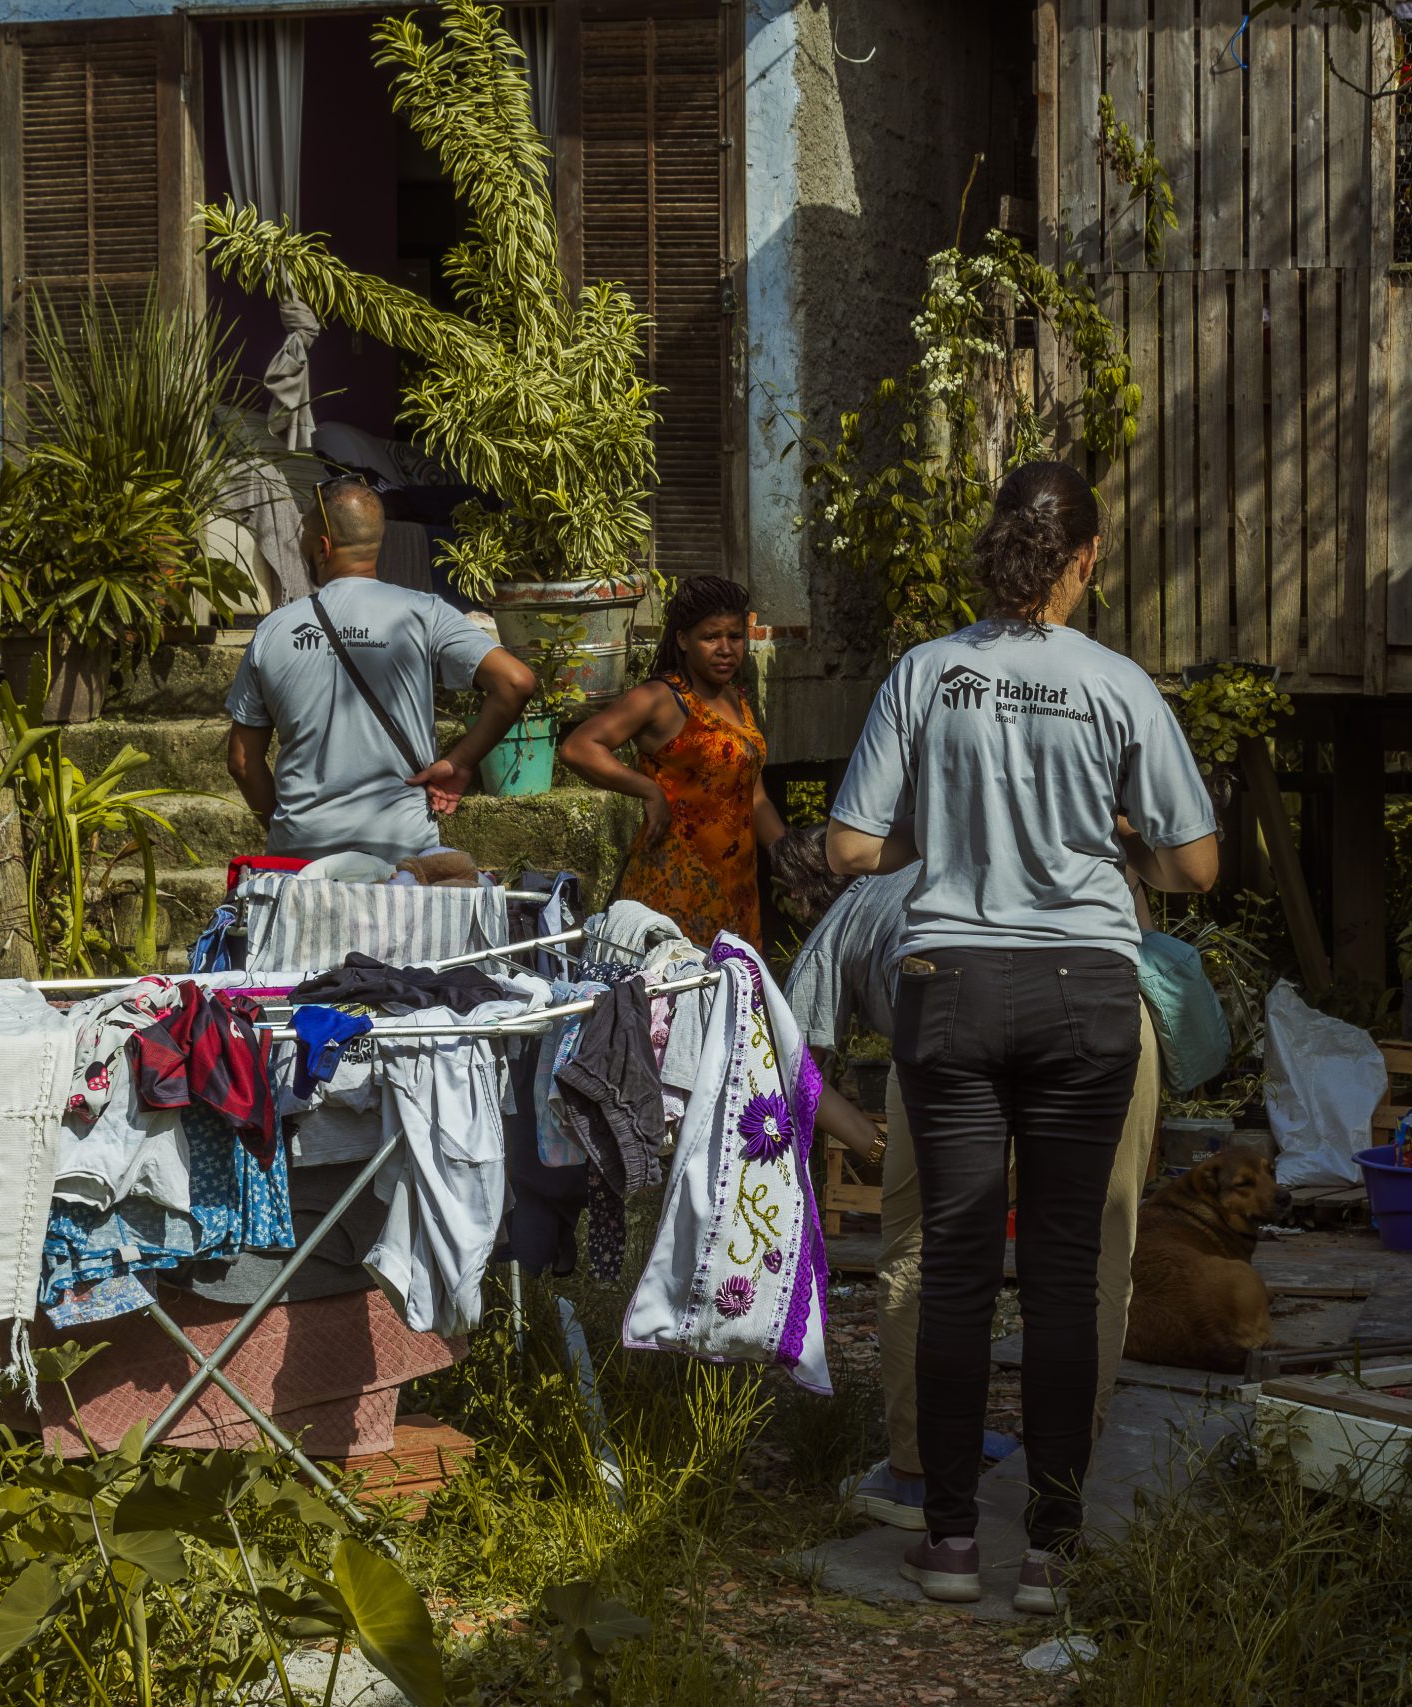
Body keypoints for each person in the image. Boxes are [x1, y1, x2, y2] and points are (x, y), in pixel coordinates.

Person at [825, 461, 1219, 1614]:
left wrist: (933, 844)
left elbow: (850, 851)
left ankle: (947, 1542)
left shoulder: (927, 673)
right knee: (1060, 1275)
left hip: (945, 985)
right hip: (1085, 996)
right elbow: (1195, 864)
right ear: (1085, 560)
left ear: (996, 546)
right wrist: (1121, 843)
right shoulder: (1115, 684)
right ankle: (1048, 1548)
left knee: (951, 1271)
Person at [770, 827, 1166, 1556]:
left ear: (806, 893)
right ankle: (1061, 1492)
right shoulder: (1041, 843)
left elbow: (790, 1061)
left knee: (927, 1256)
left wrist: (871, 1139)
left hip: (955, 1012)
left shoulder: (853, 905)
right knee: (1093, 1256)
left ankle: (921, 1483)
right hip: (1109, 1015)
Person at [225, 478, 535, 863]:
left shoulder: (273, 628)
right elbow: (516, 681)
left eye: (303, 536)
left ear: (323, 548)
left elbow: (241, 762)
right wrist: (460, 762)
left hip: (302, 851)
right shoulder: (425, 612)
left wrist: (286, 829)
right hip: (401, 847)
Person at [560, 575, 785, 947]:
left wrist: (789, 855)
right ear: (683, 639)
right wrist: (648, 790)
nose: (726, 648)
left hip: (736, 892)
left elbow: (754, 797)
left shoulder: (737, 701)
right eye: (711, 637)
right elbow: (579, 746)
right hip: (675, 892)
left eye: (735, 637)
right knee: (673, 995)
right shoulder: (662, 698)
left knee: (731, 996)